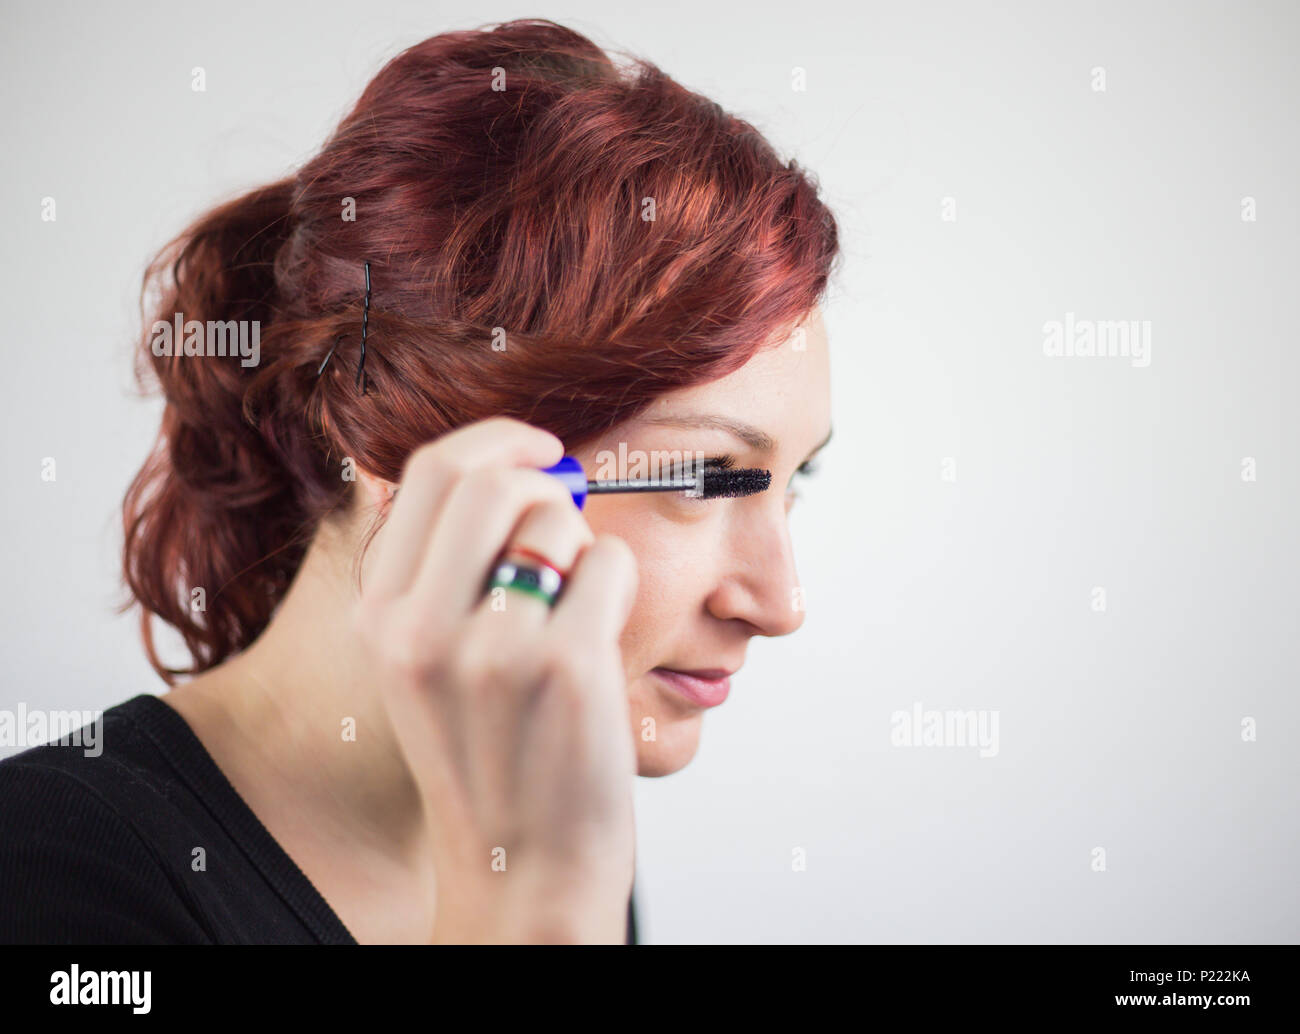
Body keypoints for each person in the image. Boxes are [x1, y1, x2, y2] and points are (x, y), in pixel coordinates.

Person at [0, 17, 839, 944]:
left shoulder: (558, 823)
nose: (781, 603)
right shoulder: (49, 875)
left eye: (792, 480)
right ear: (392, 425)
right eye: (708, 478)